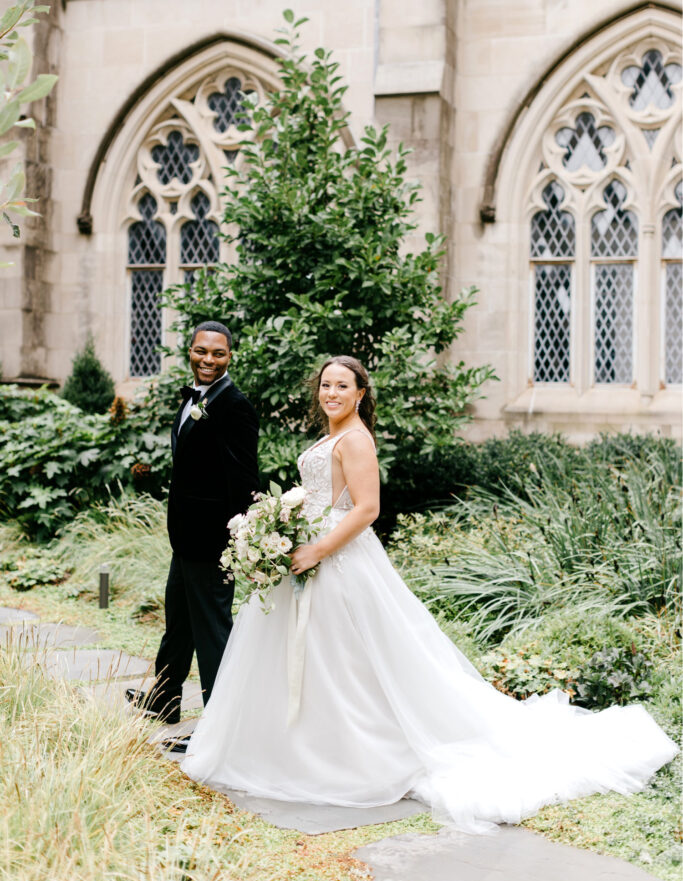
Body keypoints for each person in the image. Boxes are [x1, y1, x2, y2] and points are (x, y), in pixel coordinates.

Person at [181, 355, 676, 834]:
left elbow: (367, 508)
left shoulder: (355, 439)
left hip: (336, 559)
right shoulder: (332, 436)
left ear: (360, 394)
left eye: (342, 387)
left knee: (347, 661)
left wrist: (316, 551)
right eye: (326, 385)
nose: (331, 393)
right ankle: (303, 748)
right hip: (308, 551)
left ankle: (354, 753)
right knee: (319, 659)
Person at [126, 321, 259, 732]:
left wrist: (233, 541)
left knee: (212, 632)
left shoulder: (235, 407)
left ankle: (223, 725)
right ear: (190, 351)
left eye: (218, 354)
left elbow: (244, 481)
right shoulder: (193, 399)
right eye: (201, 351)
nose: (208, 360)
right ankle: (164, 700)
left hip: (212, 542)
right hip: (184, 537)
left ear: (229, 356)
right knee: (179, 624)